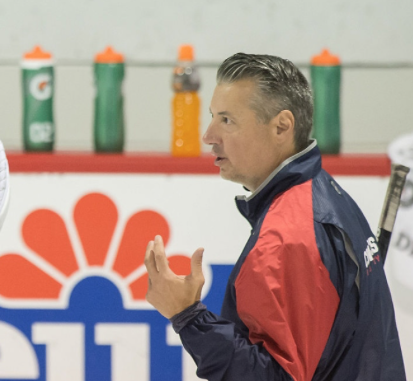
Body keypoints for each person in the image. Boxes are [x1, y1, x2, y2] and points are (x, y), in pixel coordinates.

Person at [144, 53, 406, 380]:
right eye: (213, 117)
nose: (209, 135)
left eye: (227, 120)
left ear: (281, 126)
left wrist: (188, 317)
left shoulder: (286, 236)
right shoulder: (323, 193)